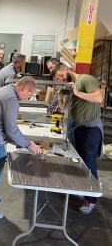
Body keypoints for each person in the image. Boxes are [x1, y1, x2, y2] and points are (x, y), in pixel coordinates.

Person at [0, 76, 43, 219]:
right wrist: (29, 144)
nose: (28, 98)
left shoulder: (6, 89)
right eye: (29, 95)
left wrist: (19, 140)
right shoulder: (11, 99)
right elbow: (11, 129)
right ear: (23, 88)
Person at [52, 63, 103, 214]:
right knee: (79, 162)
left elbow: (99, 98)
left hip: (91, 128)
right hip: (78, 129)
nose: (61, 79)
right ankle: (83, 190)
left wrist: (77, 92)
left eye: (61, 75)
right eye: (58, 79)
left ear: (66, 69)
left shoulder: (86, 79)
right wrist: (61, 97)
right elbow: (64, 109)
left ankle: (91, 200)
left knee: (89, 163)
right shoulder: (69, 87)